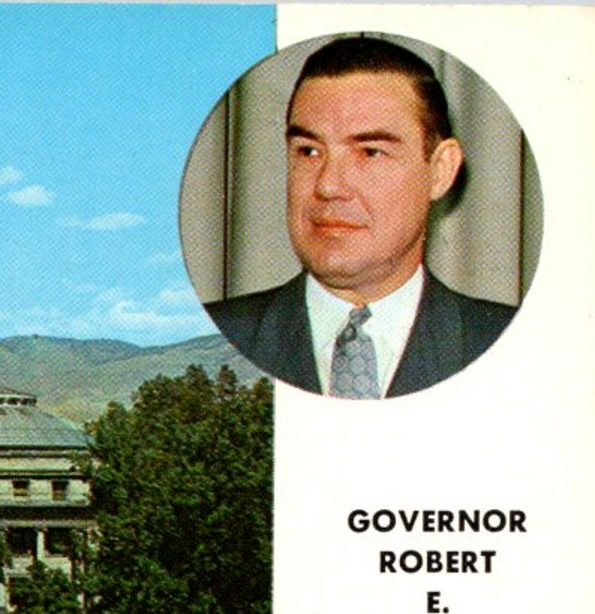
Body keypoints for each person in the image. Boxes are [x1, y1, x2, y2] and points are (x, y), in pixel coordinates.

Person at [206, 36, 517, 398]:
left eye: (370, 152)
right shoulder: (218, 336)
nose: (328, 186)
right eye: (308, 151)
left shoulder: (514, 341)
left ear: (440, 170)